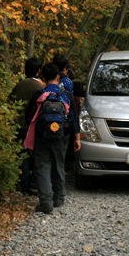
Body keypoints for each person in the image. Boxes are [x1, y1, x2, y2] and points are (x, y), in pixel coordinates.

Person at [24, 63, 81, 214]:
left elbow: (28, 117)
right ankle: (59, 198)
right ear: (58, 77)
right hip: (62, 137)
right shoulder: (66, 95)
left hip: (41, 137)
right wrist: (77, 139)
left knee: (42, 167)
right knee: (58, 165)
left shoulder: (38, 95)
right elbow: (74, 118)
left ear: (42, 78)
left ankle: (46, 203)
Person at [9, 57, 45, 194]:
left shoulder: (19, 85)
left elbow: (10, 102)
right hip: (33, 127)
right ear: (38, 71)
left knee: (22, 156)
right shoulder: (40, 87)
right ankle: (34, 184)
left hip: (18, 125)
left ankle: (24, 184)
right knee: (37, 156)